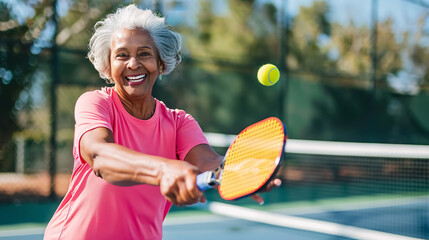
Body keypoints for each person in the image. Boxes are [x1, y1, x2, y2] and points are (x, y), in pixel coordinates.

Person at [44, 4, 281, 240]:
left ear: (161, 63)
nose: (133, 64)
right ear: (109, 65)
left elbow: (209, 162)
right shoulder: (95, 103)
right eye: (122, 55)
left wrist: (241, 171)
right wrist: (163, 169)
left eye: (144, 54)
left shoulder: (179, 122)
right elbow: (100, 156)